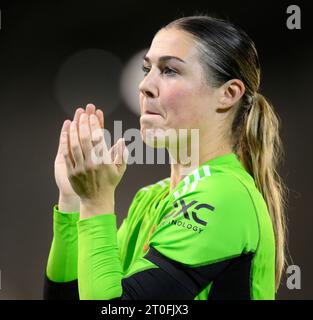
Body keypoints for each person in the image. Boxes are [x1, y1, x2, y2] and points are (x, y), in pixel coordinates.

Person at [43, 15, 287, 300]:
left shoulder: (224, 195)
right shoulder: (151, 198)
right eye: (147, 69)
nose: (144, 85)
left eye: (169, 70)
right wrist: (73, 202)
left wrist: (97, 203)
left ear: (228, 94)